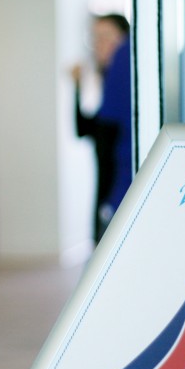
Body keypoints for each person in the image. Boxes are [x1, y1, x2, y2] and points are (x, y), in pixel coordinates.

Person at [70, 13, 133, 242]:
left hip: (119, 194)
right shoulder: (106, 82)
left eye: (107, 36)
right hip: (108, 194)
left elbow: (103, 137)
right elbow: (84, 130)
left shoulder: (126, 80)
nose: (100, 45)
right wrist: (76, 88)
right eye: (95, 38)